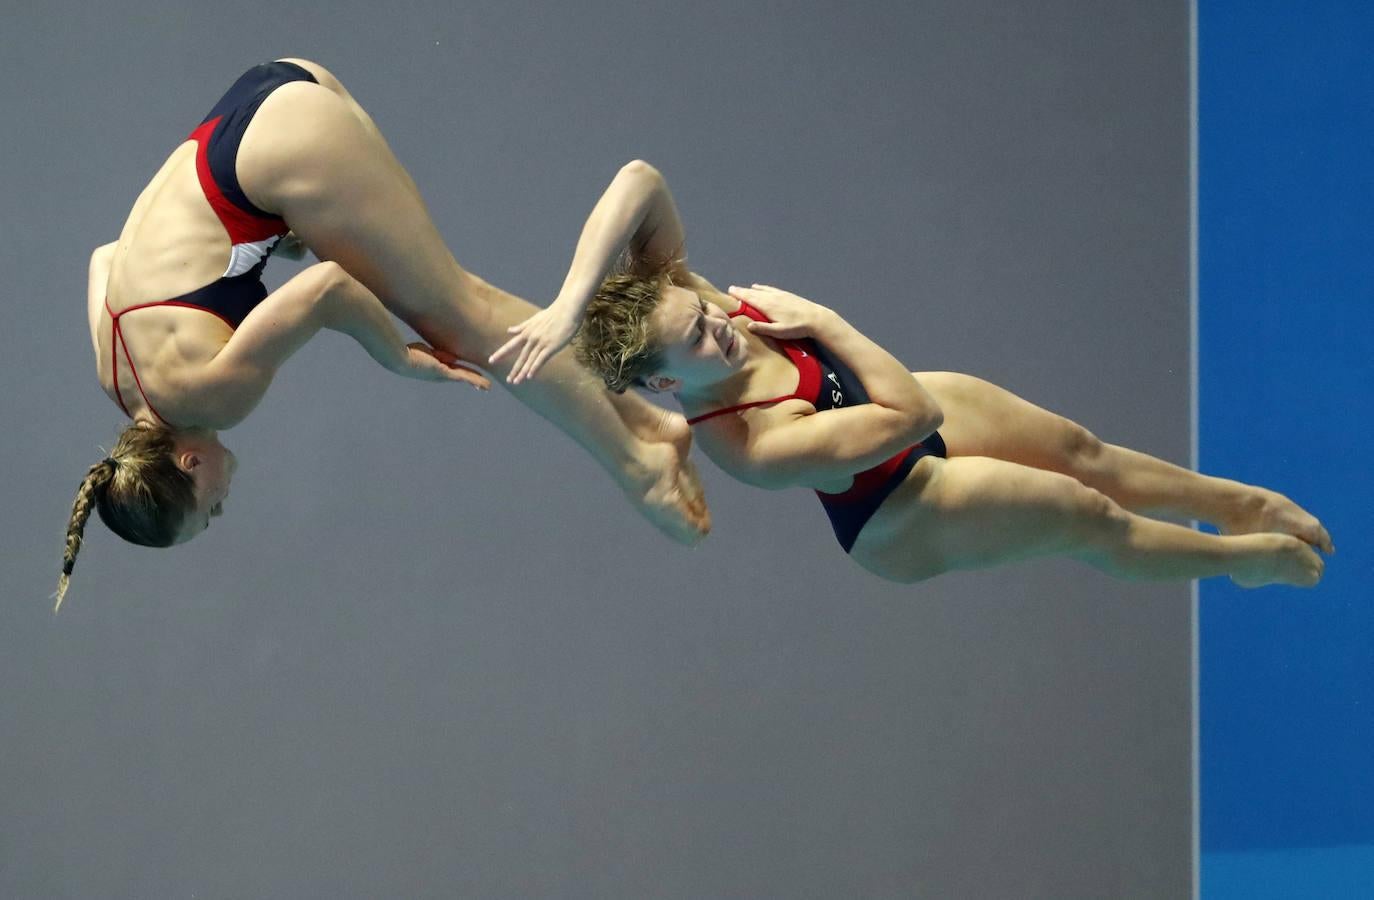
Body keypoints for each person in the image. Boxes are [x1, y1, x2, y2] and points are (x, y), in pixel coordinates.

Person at [493, 160, 1333, 587]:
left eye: (705, 309)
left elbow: (639, 179)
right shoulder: (751, 445)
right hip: (898, 511)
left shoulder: (690, 299)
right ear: (668, 387)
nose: (724, 326)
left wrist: (569, 306)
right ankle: (1239, 564)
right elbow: (913, 411)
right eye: (704, 343)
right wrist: (824, 320)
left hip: (880, 399)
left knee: (1085, 450)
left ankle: (1238, 503)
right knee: (1088, 515)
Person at [57, 62, 708, 611]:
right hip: (255, 106)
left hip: (290, 149)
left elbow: (330, 288)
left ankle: (638, 467)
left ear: (188, 465)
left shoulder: (207, 399)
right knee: (462, 302)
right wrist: (256, 237)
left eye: (210, 512)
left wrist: (397, 358)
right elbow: (106, 258)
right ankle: (643, 421)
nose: (223, 507)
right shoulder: (114, 376)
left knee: (458, 320)